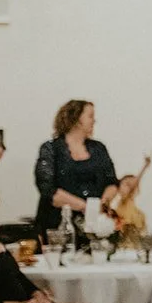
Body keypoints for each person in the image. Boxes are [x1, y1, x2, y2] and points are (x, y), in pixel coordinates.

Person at [33, 100, 118, 240]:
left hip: (94, 225)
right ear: (76, 118)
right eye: (90, 116)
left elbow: (112, 181)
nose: (94, 121)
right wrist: (85, 207)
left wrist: (102, 204)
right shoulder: (50, 149)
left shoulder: (99, 148)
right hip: (58, 224)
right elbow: (48, 189)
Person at [110, 155, 152, 238]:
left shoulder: (139, 214)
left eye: (132, 186)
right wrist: (144, 167)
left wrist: (145, 167)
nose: (130, 187)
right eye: (127, 184)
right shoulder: (120, 204)